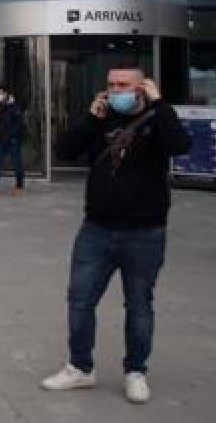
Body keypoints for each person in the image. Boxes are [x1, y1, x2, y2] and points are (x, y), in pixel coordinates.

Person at [41, 67, 190, 405]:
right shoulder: (101, 119)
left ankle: (136, 371)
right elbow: (64, 150)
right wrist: (90, 120)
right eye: (110, 85)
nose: (115, 91)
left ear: (142, 88)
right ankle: (80, 367)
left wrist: (161, 104)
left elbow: (180, 146)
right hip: (97, 229)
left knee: (139, 305)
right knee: (79, 300)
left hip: (145, 232)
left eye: (124, 85)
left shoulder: (158, 118)